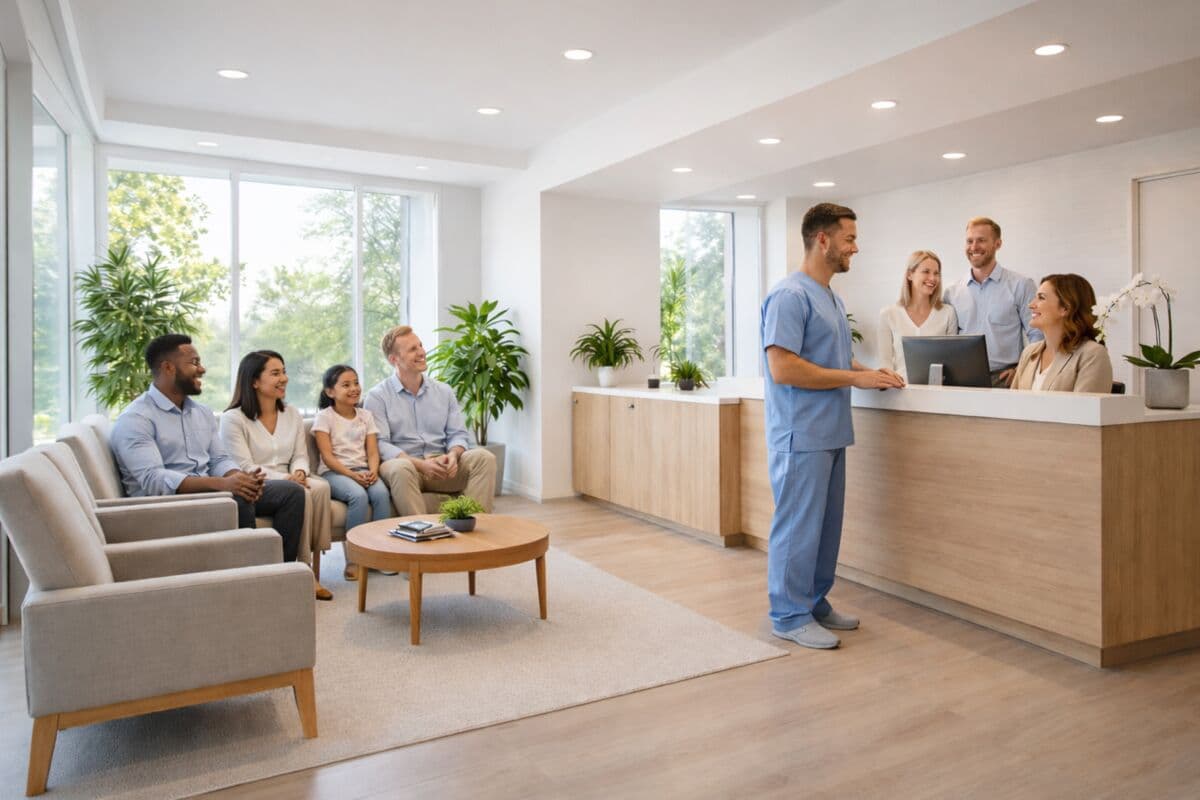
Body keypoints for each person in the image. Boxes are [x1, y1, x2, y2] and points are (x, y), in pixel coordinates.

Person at [761, 203, 905, 650]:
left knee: (825, 528)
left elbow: (835, 361)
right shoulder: (790, 296)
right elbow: (783, 368)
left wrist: (871, 374)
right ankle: (787, 614)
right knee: (798, 527)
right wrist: (854, 378)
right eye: (849, 239)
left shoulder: (831, 297)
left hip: (831, 431)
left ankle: (814, 600)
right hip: (800, 433)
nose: (855, 248)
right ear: (823, 240)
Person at [110, 334, 306, 570]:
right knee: (238, 499)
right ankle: (248, 576)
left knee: (291, 493)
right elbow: (154, 480)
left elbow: (219, 459)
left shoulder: (200, 412)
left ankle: (280, 572)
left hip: (213, 493)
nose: (202, 369)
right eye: (194, 363)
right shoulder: (136, 418)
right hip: (167, 505)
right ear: (168, 368)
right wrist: (223, 485)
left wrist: (239, 478)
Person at [220, 350, 334, 600]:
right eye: (275, 373)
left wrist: (300, 471)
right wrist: (287, 480)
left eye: (284, 371)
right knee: (301, 493)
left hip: (292, 476)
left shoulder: (291, 413)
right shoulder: (233, 419)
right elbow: (244, 465)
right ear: (254, 381)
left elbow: (300, 455)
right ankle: (303, 569)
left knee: (321, 487)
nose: (284, 378)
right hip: (260, 483)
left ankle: (310, 566)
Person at [365, 325, 496, 516]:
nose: (421, 352)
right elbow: (381, 444)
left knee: (484, 458)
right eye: (412, 349)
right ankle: (422, 536)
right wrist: (421, 465)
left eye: (420, 345)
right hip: (407, 466)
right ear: (394, 360)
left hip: (441, 464)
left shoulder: (444, 391)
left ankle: (473, 530)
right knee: (401, 469)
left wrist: (452, 456)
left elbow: (458, 434)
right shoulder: (377, 396)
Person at [312, 364, 393, 580]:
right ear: (330, 392)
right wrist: (352, 475)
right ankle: (355, 560)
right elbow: (327, 457)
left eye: (356, 383)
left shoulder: (366, 415)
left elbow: (373, 451)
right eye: (346, 385)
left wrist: (373, 471)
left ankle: (380, 555)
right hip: (334, 472)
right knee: (357, 495)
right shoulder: (324, 417)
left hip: (364, 470)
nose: (354, 388)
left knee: (381, 495)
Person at [943, 217, 1042, 387]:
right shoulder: (951, 292)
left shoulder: (1021, 285)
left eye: (981, 240)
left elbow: (1038, 334)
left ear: (998, 244)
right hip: (961, 380)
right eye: (969, 241)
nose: (974, 247)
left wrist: (1023, 369)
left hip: (1005, 379)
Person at [1011, 274, 1113, 393]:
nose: (1031, 305)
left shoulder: (1092, 354)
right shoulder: (1029, 353)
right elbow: (1011, 406)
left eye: (1041, 298)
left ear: (1065, 308)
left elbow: (1085, 410)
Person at [878, 250, 959, 381]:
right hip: (900, 392)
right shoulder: (888, 314)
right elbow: (885, 364)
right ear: (910, 275)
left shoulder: (948, 313)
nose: (932, 278)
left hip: (938, 394)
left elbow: (952, 362)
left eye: (936, 273)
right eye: (926, 272)